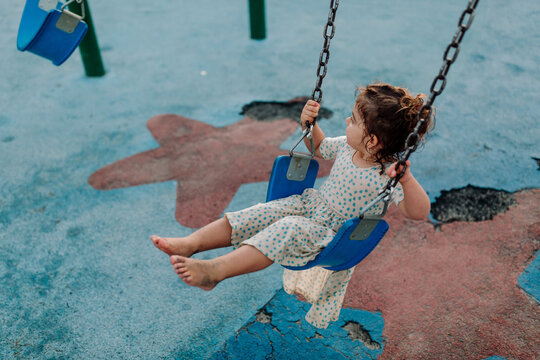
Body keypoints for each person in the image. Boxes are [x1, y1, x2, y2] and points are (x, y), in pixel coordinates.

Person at [151, 82, 433, 328]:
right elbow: (319, 148)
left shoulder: (389, 173)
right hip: (309, 206)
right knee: (261, 213)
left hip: (331, 236)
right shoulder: (348, 147)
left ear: (372, 141)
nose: (348, 121)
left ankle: (215, 271)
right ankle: (192, 243)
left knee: (287, 228)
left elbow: (419, 212)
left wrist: (407, 181)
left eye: (354, 120)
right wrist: (310, 126)